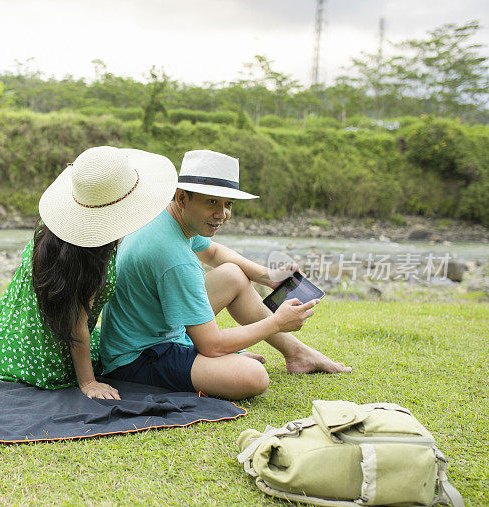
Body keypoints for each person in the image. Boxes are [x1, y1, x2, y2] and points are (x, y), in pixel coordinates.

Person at [0, 146, 178, 400]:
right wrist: (88, 382)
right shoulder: (88, 256)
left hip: (14, 328)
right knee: (104, 350)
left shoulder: (53, 232)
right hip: (43, 355)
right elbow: (76, 326)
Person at [99, 149, 351, 400]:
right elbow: (212, 344)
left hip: (151, 332)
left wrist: (267, 276)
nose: (223, 214)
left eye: (228, 204)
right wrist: (276, 322)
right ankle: (250, 358)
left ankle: (296, 353)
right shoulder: (175, 258)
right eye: (212, 202)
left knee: (233, 274)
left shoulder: (165, 215)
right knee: (253, 376)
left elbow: (213, 252)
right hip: (137, 359)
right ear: (182, 197)